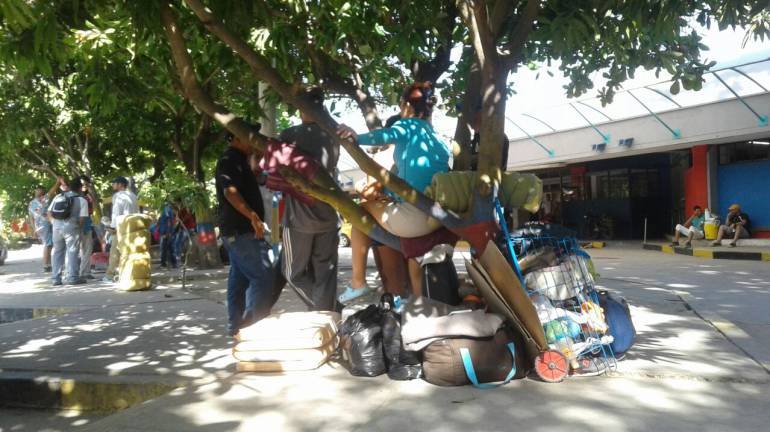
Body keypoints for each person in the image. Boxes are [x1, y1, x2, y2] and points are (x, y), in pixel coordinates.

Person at [337, 81, 451, 303]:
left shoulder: (409, 127)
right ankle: (421, 308)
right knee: (418, 282)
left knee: (358, 212)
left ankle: (358, 283)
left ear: (406, 105)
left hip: (413, 219)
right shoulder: (438, 139)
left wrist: (355, 137)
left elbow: (384, 135)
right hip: (436, 218)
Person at [278, 87, 341, 311]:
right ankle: (328, 313)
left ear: (300, 107)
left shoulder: (289, 135)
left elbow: (277, 172)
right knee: (325, 273)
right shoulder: (334, 135)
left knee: (291, 273)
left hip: (298, 218)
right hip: (330, 214)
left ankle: (323, 308)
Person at [215, 132, 274, 336]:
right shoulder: (229, 160)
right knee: (264, 276)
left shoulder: (240, 160)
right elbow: (230, 192)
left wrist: (256, 160)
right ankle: (255, 329)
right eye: (249, 136)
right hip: (240, 230)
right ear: (236, 138)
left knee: (239, 280)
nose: (254, 141)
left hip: (238, 231)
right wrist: (253, 217)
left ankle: (237, 326)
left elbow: (258, 178)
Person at [48, 178, 89, 286]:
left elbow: (49, 212)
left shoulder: (59, 196)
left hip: (56, 227)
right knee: (72, 251)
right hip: (71, 228)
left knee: (57, 252)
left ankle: (55, 279)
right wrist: (76, 229)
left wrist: (55, 224)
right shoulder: (82, 200)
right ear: (80, 188)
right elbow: (81, 220)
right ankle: (72, 277)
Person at [103, 176, 139, 283]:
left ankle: (110, 275)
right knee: (129, 251)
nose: (113, 185)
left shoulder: (118, 196)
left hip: (121, 226)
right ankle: (129, 274)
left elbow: (116, 213)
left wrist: (112, 227)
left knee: (115, 251)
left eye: (114, 183)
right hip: (132, 226)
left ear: (121, 185)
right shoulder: (133, 195)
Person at [28, 178, 62, 272]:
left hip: (42, 226)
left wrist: (34, 229)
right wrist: (57, 182)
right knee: (48, 244)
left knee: (49, 244)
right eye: (37, 189)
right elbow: (52, 191)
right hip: (44, 225)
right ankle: (46, 265)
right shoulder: (40, 200)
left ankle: (48, 264)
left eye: (40, 190)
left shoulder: (33, 203)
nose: (38, 191)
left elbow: (31, 218)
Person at [468, 103, 510, 172]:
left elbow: (494, 162)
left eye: (474, 116)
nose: (470, 121)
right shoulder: (477, 139)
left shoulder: (498, 136)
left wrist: (470, 159)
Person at [78, 176, 96, 279]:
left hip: (84, 223)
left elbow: (92, 210)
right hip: (84, 223)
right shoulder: (84, 198)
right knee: (86, 248)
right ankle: (83, 272)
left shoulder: (83, 197)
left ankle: (85, 271)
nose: (85, 186)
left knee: (85, 249)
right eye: (84, 184)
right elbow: (90, 210)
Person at [158, 201, 177, 269]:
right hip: (168, 232)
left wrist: (167, 233)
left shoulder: (166, 210)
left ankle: (165, 264)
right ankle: (172, 264)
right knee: (170, 249)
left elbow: (169, 221)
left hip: (166, 233)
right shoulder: (169, 210)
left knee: (165, 249)